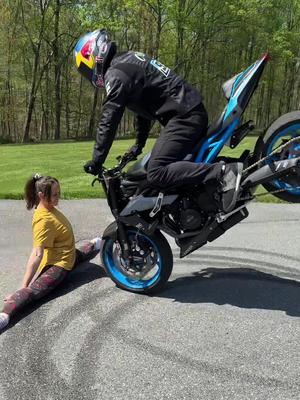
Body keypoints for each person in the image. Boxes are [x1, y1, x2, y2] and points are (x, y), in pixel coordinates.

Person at [74, 29, 242, 213]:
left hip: (185, 117)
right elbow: (144, 111)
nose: (87, 73)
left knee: (156, 171)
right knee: (171, 169)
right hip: (188, 111)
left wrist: (97, 160)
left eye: (84, 68)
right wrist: (138, 145)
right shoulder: (126, 61)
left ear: (93, 56)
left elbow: (109, 117)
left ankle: (224, 172)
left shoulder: (115, 75)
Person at [0, 174, 101, 332]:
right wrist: (22, 287)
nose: (58, 198)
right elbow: (37, 254)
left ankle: (94, 244)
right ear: (41, 195)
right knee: (32, 292)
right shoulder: (43, 220)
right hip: (59, 264)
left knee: (79, 254)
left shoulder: (50, 209)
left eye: (58, 193)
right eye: (54, 195)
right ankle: (4, 316)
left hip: (66, 257)